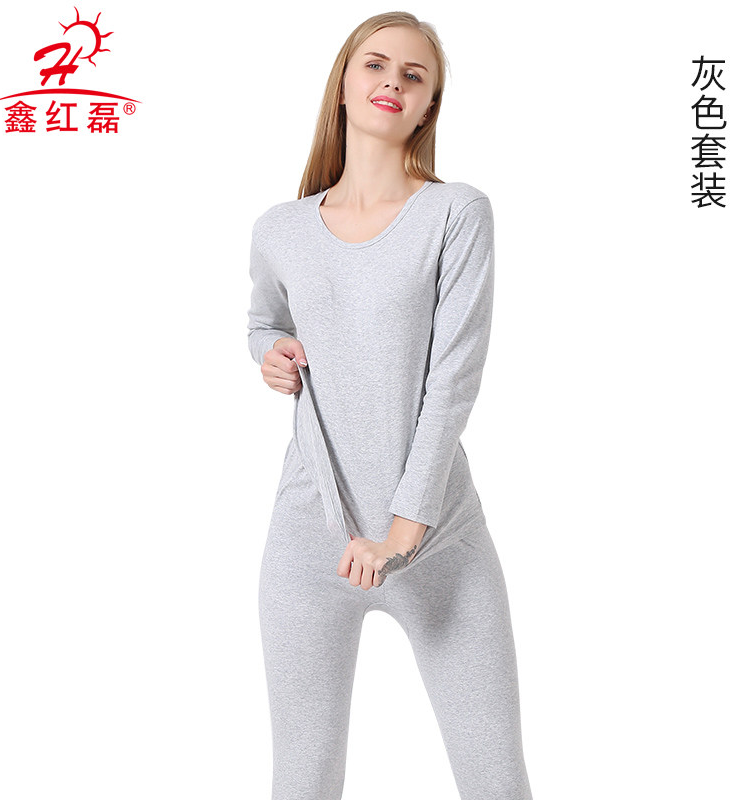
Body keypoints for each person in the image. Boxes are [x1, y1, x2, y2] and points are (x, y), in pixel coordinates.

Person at [246, 11, 533, 800]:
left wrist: (406, 529)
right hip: (308, 539)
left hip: (437, 542)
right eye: (375, 65)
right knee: (302, 779)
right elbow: (265, 320)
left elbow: (453, 379)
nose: (392, 83)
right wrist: (270, 352)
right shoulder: (280, 229)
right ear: (343, 84)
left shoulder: (456, 214)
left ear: (429, 104)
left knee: (495, 779)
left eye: (414, 75)